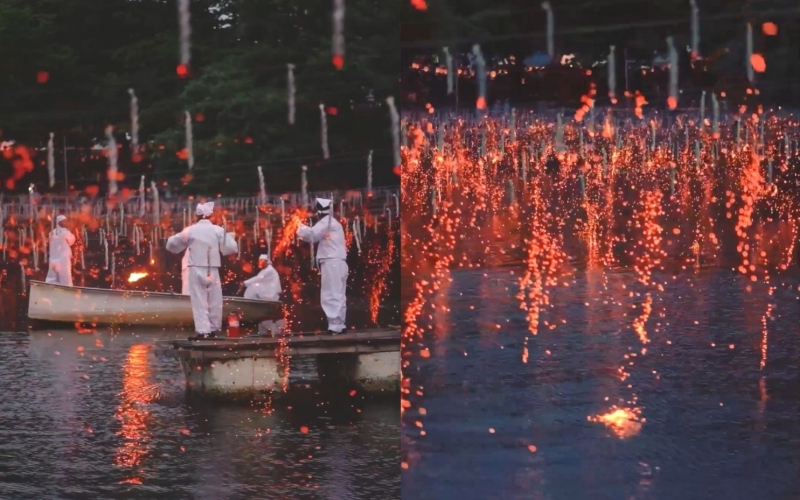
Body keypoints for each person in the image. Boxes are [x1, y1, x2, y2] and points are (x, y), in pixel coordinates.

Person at [166, 201, 238, 338]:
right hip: (213, 269)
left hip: (196, 269)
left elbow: (172, 244)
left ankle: (203, 331)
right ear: (210, 215)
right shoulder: (217, 230)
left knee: (199, 301)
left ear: (197, 216)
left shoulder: (190, 230)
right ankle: (214, 329)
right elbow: (231, 247)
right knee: (215, 300)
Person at [297, 198, 348, 334]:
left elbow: (312, 235)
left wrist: (298, 225)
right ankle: (339, 324)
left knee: (331, 293)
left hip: (332, 262)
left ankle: (335, 326)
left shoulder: (327, 222)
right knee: (338, 293)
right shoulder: (331, 222)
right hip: (337, 262)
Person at [243, 254, 283, 336]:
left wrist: (244, 283)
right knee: (264, 313)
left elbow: (258, 278)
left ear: (266, 262)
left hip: (271, 295)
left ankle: (274, 330)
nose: (260, 263)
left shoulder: (269, 270)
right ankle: (266, 331)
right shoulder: (264, 271)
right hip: (266, 295)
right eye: (259, 261)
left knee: (267, 312)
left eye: (262, 261)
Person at [45, 215, 76, 286]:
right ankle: (66, 287)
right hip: (63, 257)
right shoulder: (65, 232)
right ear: (60, 222)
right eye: (64, 221)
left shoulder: (51, 233)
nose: (65, 223)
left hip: (54, 257)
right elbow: (71, 241)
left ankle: (50, 286)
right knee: (65, 274)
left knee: (53, 275)